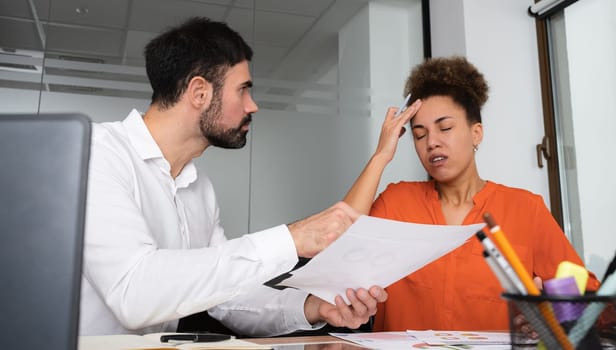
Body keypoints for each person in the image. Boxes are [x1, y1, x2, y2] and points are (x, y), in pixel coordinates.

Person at [80, 17, 387, 336]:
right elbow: (134, 293)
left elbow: (226, 298)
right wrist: (292, 238)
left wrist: (313, 307)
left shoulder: (199, 188)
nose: (252, 106)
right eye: (243, 90)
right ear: (199, 93)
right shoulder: (98, 154)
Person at [343, 56, 599, 331]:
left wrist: (553, 314)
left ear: (476, 133)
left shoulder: (526, 208)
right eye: (419, 135)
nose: (432, 142)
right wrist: (381, 155)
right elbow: (339, 238)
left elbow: (588, 304)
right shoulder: (397, 201)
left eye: (445, 128)